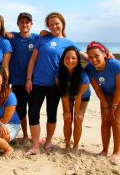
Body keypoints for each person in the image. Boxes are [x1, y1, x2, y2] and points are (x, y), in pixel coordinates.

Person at [25, 12, 85, 155]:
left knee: (52, 114)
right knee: (33, 113)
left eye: (57, 23)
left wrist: (105, 55)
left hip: (56, 84)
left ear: (62, 23)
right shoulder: (42, 39)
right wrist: (28, 79)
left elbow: (85, 57)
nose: (54, 26)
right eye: (51, 24)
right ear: (47, 26)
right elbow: (32, 61)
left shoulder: (69, 43)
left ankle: (48, 141)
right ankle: (34, 145)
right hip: (37, 83)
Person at [85, 41, 120, 163]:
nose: (94, 59)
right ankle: (104, 150)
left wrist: (114, 105)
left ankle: (117, 152)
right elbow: (96, 88)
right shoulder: (89, 68)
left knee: (116, 121)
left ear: (104, 54)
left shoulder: (116, 65)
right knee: (105, 121)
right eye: (90, 57)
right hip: (106, 92)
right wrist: (106, 105)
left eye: (97, 55)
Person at [6, 12, 39, 145]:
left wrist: (45, 32)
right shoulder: (13, 37)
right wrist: (6, 32)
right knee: (21, 111)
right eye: (22, 22)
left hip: (33, 81)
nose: (24, 24)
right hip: (17, 82)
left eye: (27, 22)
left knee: (33, 111)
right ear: (18, 24)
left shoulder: (37, 38)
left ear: (31, 24)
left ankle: (35, 136)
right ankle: (25, 135)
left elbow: (51, 38)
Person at [58, 46, 90, 154]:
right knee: (67, 119)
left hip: (82, 97)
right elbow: (64, 94)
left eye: (73, 58)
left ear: (78, 60)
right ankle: (67, 145)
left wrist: (77, 113)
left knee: (77, 119)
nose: (70, 61)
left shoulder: (83, 76)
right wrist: (66, 112)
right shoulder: (59, 73)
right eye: (67, 58)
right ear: (63, 59)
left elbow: (79, 96)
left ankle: (75, 146)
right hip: (67, 96)